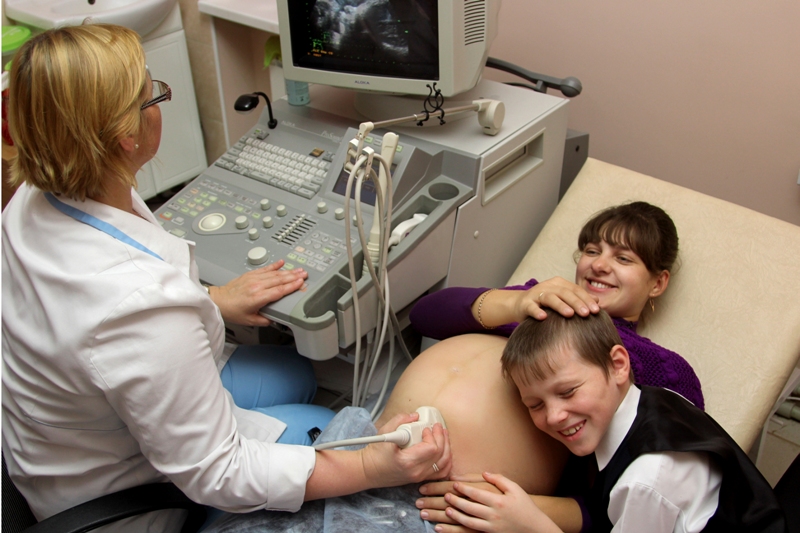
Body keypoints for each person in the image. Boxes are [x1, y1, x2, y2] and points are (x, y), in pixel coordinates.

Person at [1, 24, 451, 532]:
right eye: (152, 94)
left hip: (70, 434)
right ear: (126, 136)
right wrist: (369, 467)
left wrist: (208, 299)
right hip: (121, 498)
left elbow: (103, 321)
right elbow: (220, 471)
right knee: (328, 430)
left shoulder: (33, 196)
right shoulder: (139, 309)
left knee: (297, 373)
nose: (159, 100)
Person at [437, 311, 786, 533]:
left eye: (568, 391)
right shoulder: (652, 402)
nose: (554, 415)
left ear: (618, 365)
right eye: (535, 404)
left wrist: (532, 526)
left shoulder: (646, 480)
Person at [409, 201, 704, 410]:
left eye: (623, 258)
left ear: (657, 283)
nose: (599, 265)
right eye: (592, 251)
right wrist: (516, 303)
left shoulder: (665, 370)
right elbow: (423, 316)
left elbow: (676, 465)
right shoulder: (536, 299)